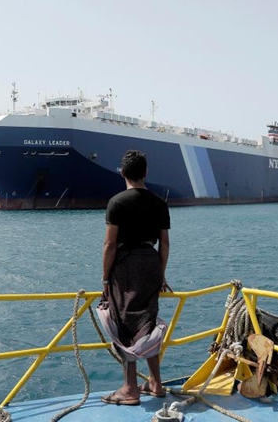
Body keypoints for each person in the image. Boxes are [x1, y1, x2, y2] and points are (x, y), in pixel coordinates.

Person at [99, 149, 171, 406]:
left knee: (125, 323)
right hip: (151, 263)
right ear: (145, 173)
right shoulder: (159, 203)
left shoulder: (117, 202)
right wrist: (160, 274)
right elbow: (164, 244)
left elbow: (110, 244)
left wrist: (105, 279)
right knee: (148, 321)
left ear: (122, 173)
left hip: (126, 266)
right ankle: (155, 383)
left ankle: (130, 388)